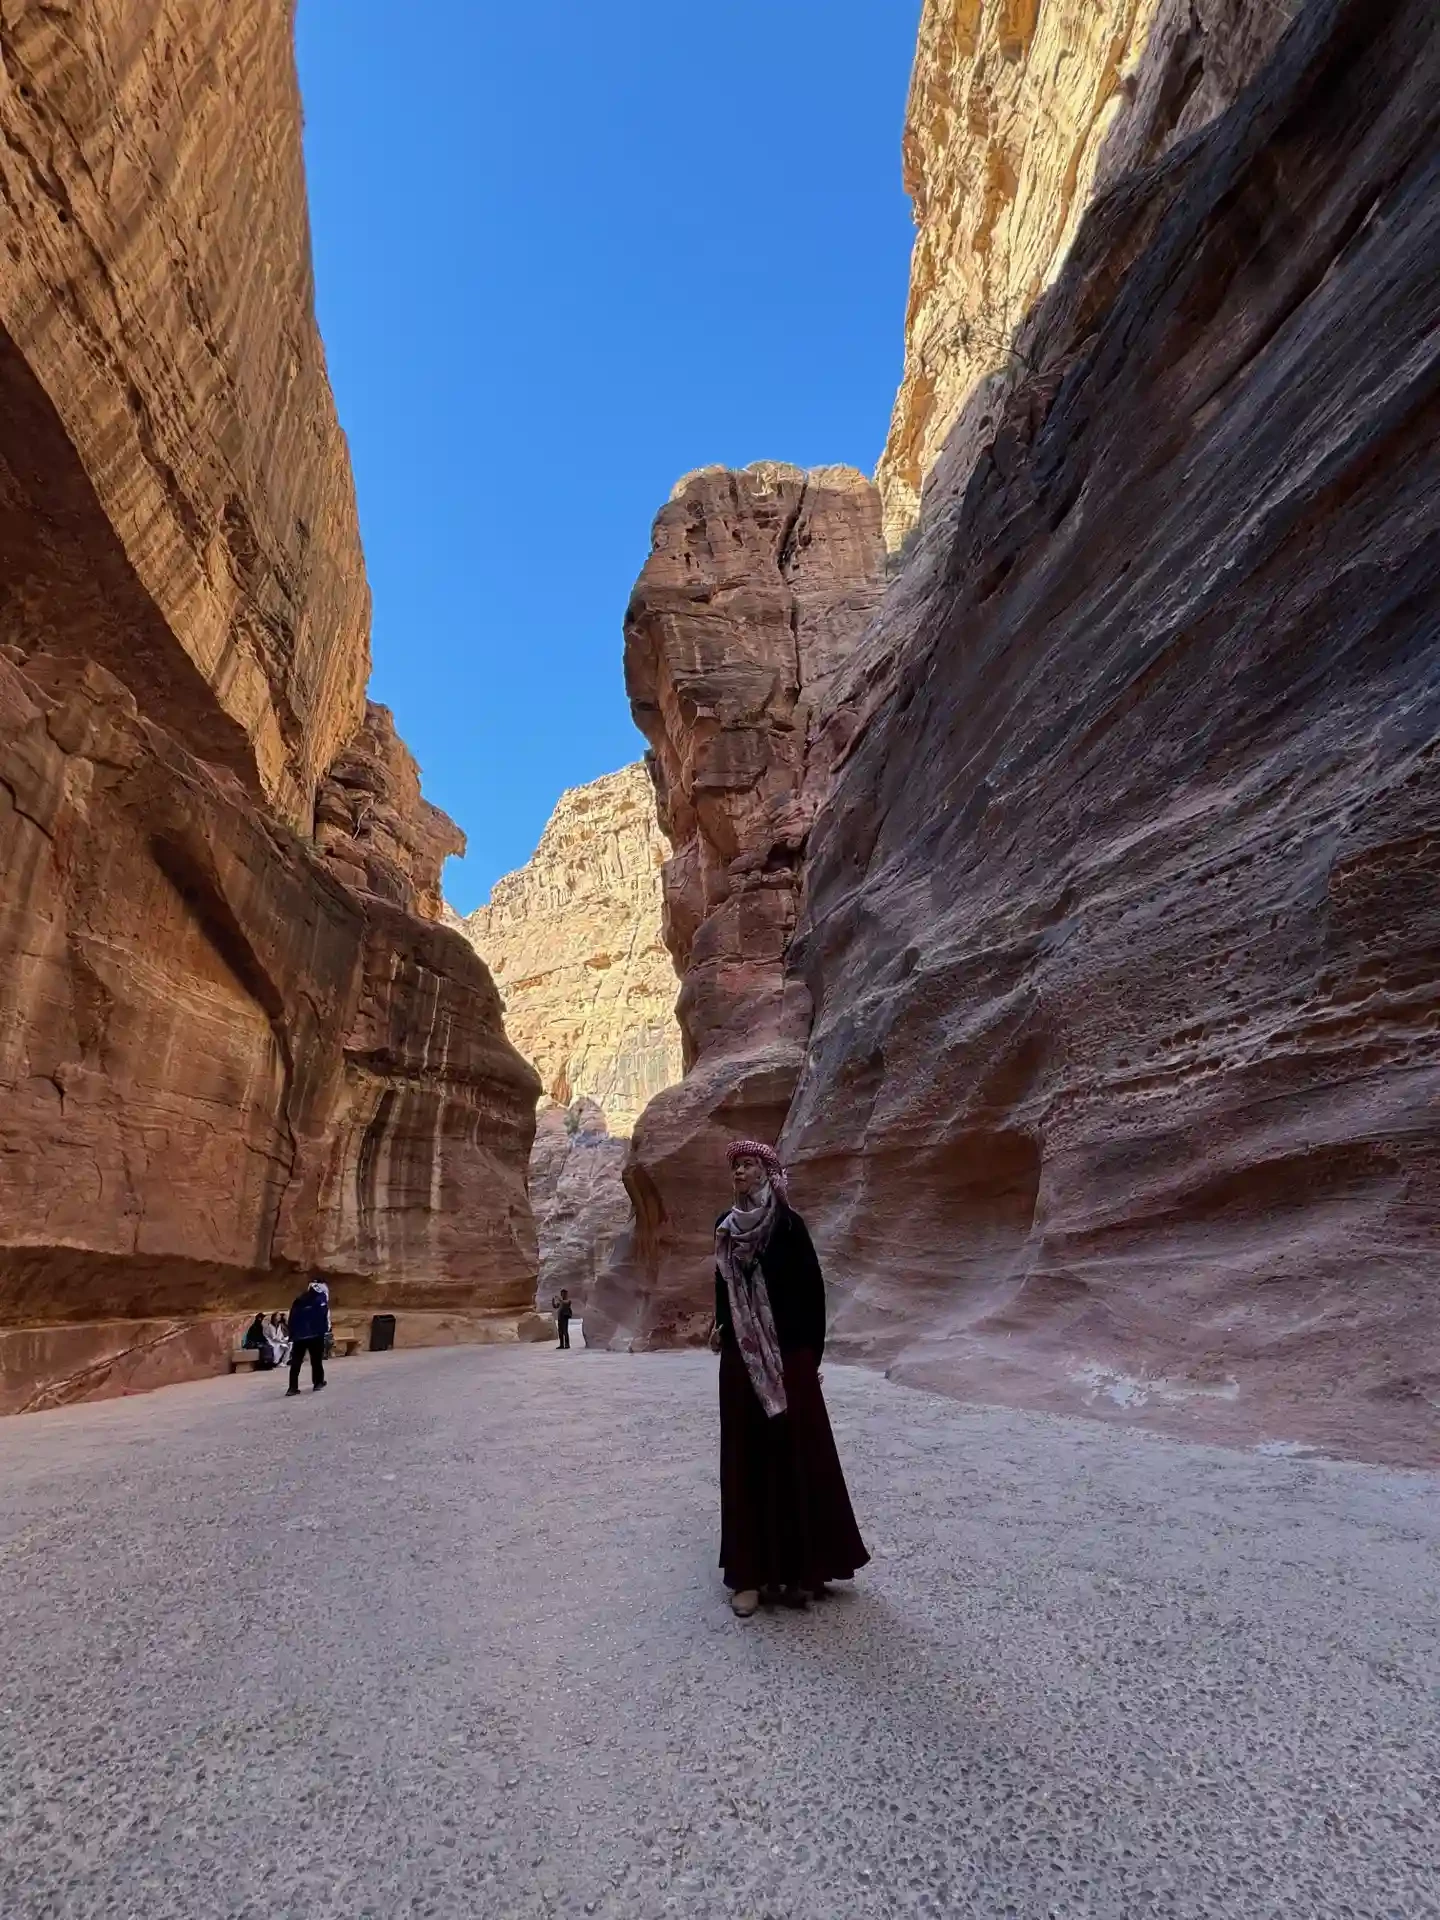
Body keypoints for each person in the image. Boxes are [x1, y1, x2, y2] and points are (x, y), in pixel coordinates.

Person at [712, 1139, 869, 1618]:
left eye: (748, 1164)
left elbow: (811, 1291)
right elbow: (723, 1289)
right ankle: (748, 1577)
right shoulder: (724, 1229)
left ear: (767, 1172)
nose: (739, 1171)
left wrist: (807, 1357)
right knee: (746, 1456)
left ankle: (802, 1567)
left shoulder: (789, 1225)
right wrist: (720, 1326)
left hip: (790, 1357)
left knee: (796, 1452)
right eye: (735, 1165)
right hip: (743, 1358)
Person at [285, 1277, 330, 1395]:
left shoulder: (299, 1300)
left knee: (296, 1362)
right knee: (316, 1360)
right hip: (315, 1334)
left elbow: (292, 1318)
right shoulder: (320, 1298)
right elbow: (323, 1315)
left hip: (299, 1336)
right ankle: (318, 1382)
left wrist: (292, 1334)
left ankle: (292, 1387)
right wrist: (324, 1331)